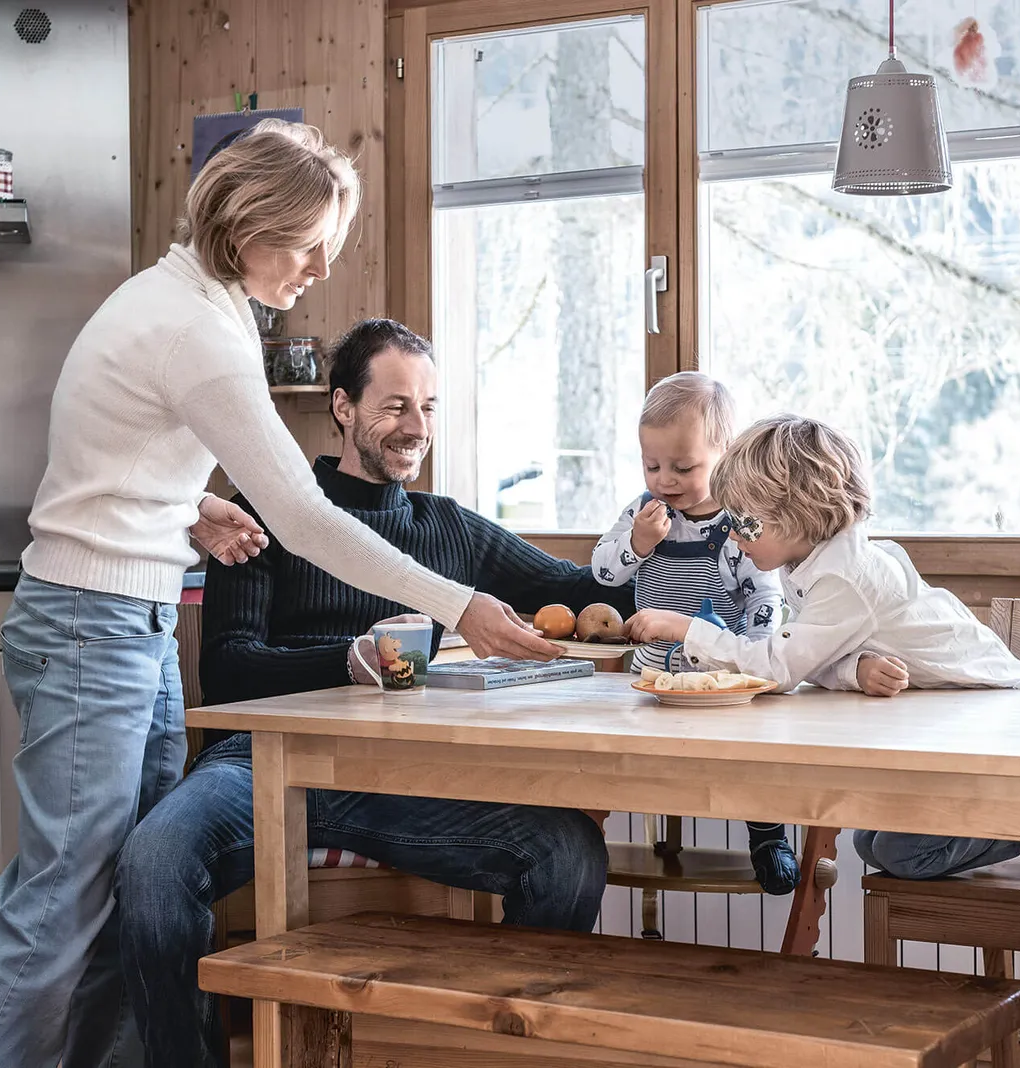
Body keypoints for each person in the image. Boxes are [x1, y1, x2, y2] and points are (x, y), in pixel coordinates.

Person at [0, 124, 558, 1068]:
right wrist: (457, 604)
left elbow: (116, 454)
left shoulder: (186, 303)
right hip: (93, 629)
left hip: (121, 619)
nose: (318, 266)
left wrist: (192, 506)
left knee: (107, 896)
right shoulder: (196, 326)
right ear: (249, 219)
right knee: (59, 900)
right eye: (305, 242)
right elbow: (302, 516)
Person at [116, 318, 633, 1068]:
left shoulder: (448, 526)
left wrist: (652, 549)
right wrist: (349, 660)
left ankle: (491, 1053)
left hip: (404, 780)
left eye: (427, 407)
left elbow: (578, 589)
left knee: (568, 855)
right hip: (259, 767)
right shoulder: (266, 510)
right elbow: (229, 669)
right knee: (152, 864)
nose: (414, 427)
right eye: (394, 407)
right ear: (343, 409)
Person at [624, 414, 1020, 885]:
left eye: (743, 521)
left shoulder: (844, 574)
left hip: (993, 709)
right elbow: (807, 656)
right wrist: (852, 670)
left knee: (901, 853)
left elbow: (777, 671)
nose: (732, 534)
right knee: (870, 844)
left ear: (797, 516)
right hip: (953, 710)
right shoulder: (804, 560)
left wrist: (688, 630)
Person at [590, 372, 793, 895]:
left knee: (750, 752)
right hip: (651, 673)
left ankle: (768, 834)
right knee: (608, 749)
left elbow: (766, 592)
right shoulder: (643, 513)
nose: (665, 479)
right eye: (651, 465)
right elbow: (604, 573)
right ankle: (580, 830)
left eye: (683, 467)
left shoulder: (740, 524)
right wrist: (636, 542)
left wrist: (755, 648)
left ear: (725, 456)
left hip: (722, 679)